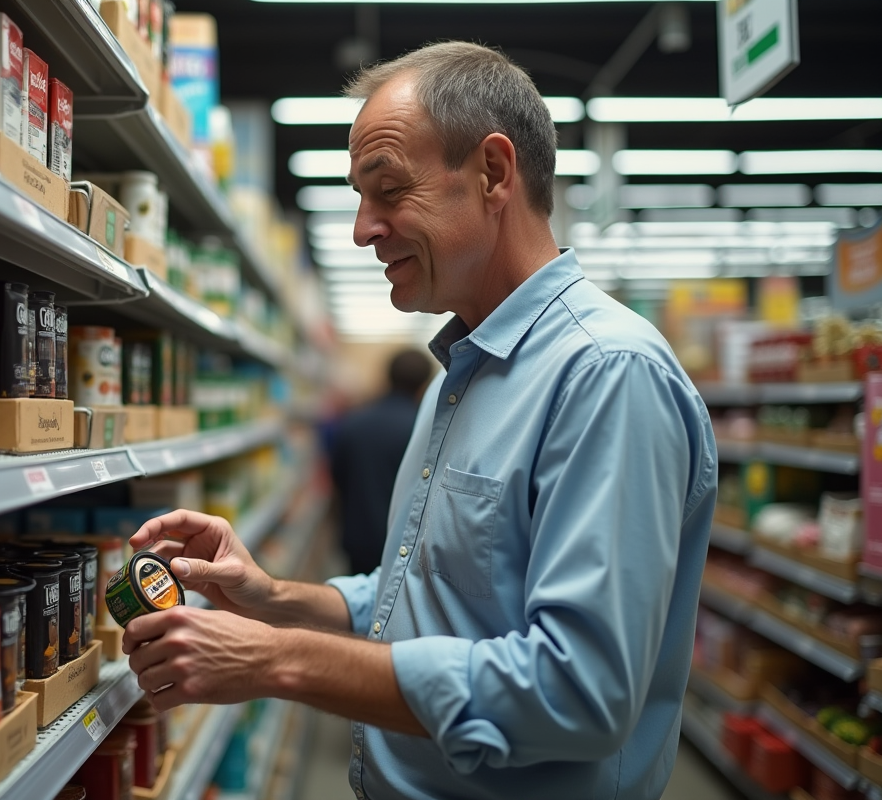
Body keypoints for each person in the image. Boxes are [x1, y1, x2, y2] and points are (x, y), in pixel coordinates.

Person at [122, 41, 716, 800]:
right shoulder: (456, 379)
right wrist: (275, 599)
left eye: (389, 189)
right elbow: (425, 596)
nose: (361, 229)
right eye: (358, 197)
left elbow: (579, 692)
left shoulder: (606, 374)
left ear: (493, 173)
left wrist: (275, 660)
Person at [331, 349, 433, 575]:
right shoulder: (425, 429)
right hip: (405, 546)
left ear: (387, 377)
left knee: (358, 594)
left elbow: (338, 477)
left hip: (358, 540)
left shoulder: (353, 421)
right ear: (425, 385)